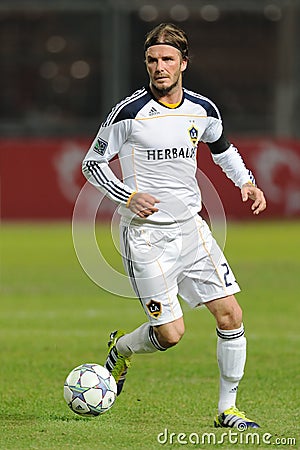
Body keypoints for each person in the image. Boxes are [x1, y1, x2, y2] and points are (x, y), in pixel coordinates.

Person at [82, 23, 266, 429]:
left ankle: (227, 410)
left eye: (167, 59)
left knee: (231, 315)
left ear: (183, 63)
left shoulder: (202, 109)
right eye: (152, 60)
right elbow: (91, 164)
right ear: (145, 64)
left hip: (193, 231)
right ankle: (121, 350)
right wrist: (126, 196)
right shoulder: (128, 113)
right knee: (169, 335)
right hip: (147, 239)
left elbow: (223, 149)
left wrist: (246, 181)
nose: (159, 67)